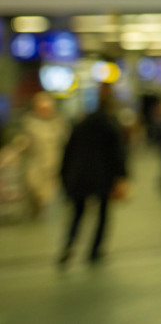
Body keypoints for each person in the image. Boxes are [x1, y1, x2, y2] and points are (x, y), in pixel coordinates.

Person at [59, 83, 127, 267]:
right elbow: (118, 154)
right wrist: (122, 177)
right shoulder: (110, 125)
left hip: (79, 176)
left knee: (77, 215)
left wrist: (64, 176)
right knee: (103, 214)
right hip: (102, 177)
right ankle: (95, 251)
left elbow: (68, 152)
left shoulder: (81, 124)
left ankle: (68, 247)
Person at [22, 92, 67, 217]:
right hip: (36, 166)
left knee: (49, 194)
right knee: (35, 190)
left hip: (54, 166)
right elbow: (24, 143)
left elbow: (64, 142)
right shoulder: (30, 124)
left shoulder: (58, 124)